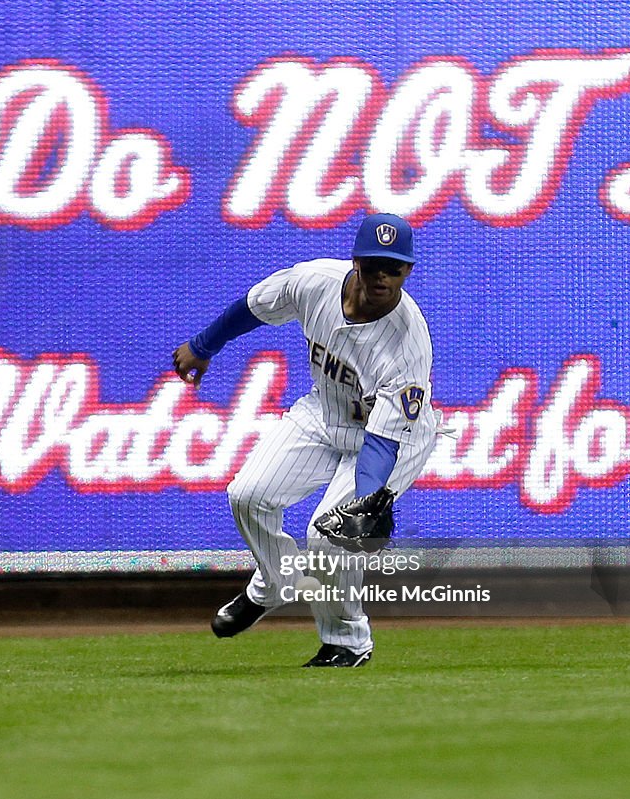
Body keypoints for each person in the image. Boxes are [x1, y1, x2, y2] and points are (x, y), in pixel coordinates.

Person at [172, 213, 437, 667]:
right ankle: (275, 583)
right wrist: (204, 344)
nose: (380, 276)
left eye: (391, 268)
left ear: (407, 271)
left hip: (391, 440)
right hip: (325, 411)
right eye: (372, 264)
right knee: (247, 495)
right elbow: (254, 306)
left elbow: (381, 444)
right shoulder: (314, 281)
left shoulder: (408, 345)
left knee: (327, 536)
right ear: (355, 261)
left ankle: (348, 642)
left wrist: (366, 499)